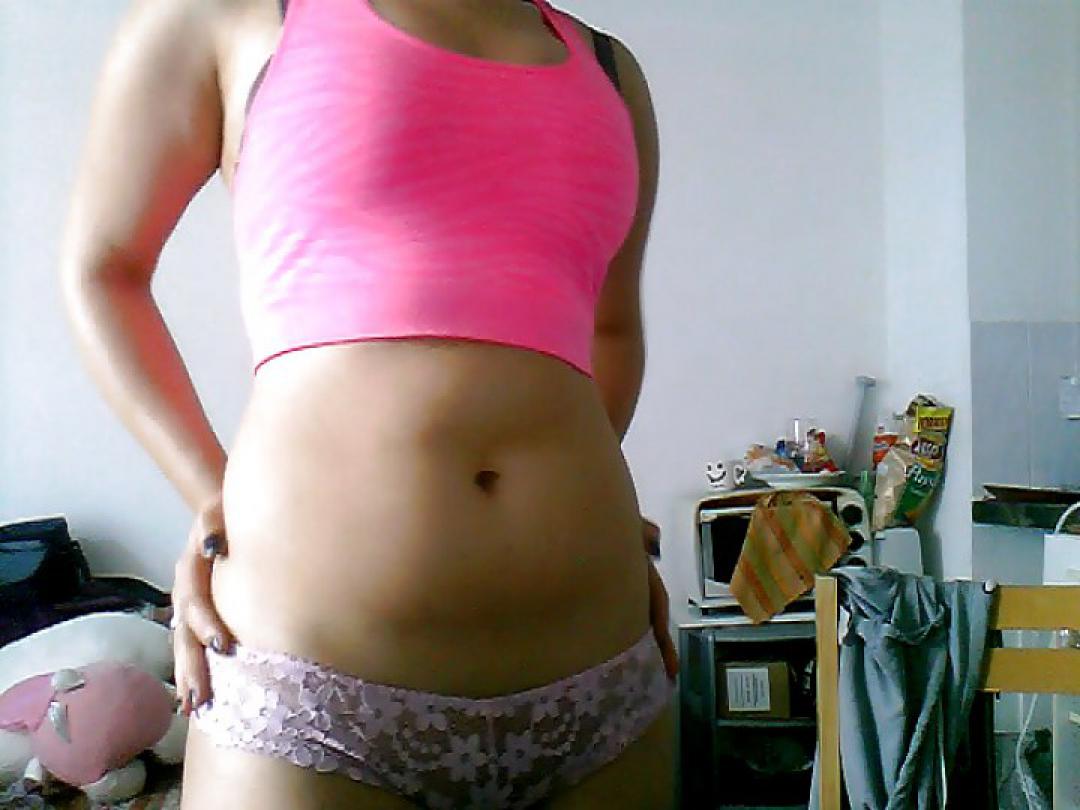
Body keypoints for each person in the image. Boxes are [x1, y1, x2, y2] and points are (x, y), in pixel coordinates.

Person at [59, 0, 673, 806]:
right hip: (310, 681)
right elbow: (104, 268)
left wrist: (583, 511)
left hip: (600, 668)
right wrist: (211, 496)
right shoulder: (233, 15)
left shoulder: (612, 72)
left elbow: (613, 327)